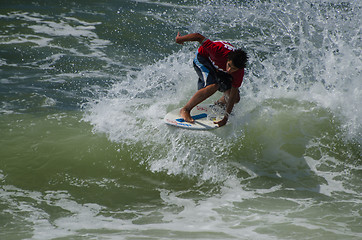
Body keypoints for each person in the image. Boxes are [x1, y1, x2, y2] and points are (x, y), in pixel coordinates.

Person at [175, 32, 248, 127]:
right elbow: (198, 36)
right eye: (229, 65)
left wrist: (225, 118)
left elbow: (233, 95)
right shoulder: (217, 51)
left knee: (235, 98)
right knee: (213, 86)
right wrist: (180, 39)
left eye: (233, 69)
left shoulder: (239, 73)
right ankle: (185, 109)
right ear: (227, 59)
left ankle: (219, 104)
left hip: (218, 68)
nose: (229, 70)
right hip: (203, 59)